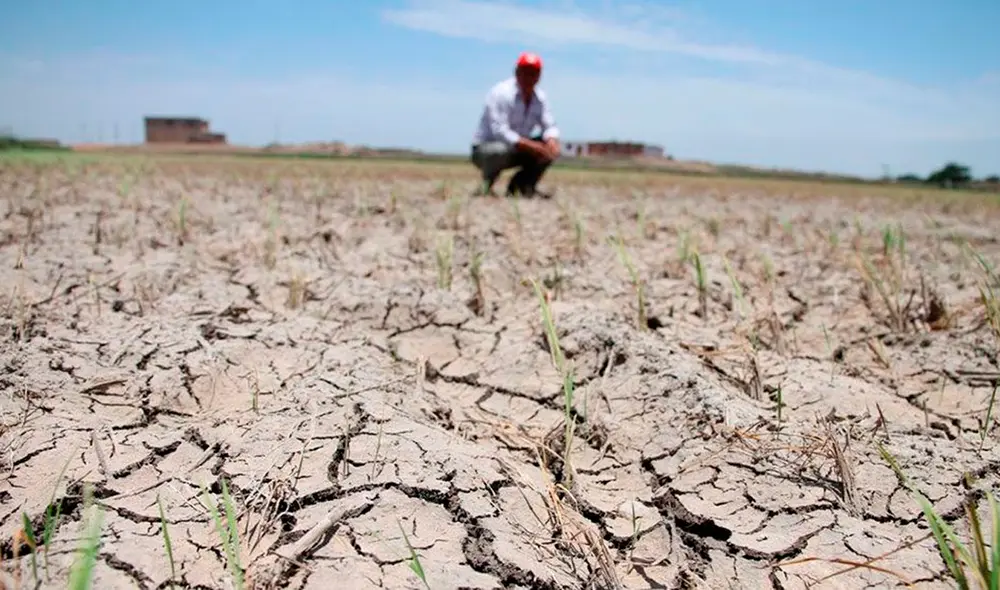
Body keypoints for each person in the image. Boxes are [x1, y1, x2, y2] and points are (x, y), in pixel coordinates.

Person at [470, 52, 561, 198]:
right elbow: (499, 131)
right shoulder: (500, 93)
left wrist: (551, 141)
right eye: (525, 71)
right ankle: (486, 185)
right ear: (517, 72)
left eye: (534, 72)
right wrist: (531, 146)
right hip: (486, 149)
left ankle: (520, 188)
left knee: (549, 150)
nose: (529, 76)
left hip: (518, 149)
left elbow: (550, 125)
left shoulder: (540, 98)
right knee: (499, 151)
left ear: (539, 76)